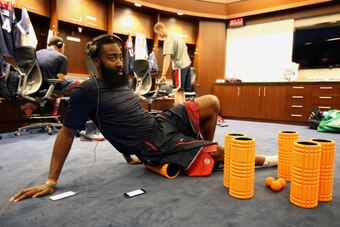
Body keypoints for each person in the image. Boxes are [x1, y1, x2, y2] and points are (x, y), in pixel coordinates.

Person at [9, 34, 276, 202]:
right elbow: (67, 133)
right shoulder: (87, 92)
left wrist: (125, 156)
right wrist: (51, 181)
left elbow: (120, 121)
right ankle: (265, 159)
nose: (118, 62)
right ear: (97, 62)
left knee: (211, 102)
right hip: (153, 145)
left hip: (161, 124)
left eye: (119, 57)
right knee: (214, 150)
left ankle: (196, 149)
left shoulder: (121, 82)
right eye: (111, 58)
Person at [36, 36, 81, 122]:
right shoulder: (62, 57)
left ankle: (54, 113)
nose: (64, 48)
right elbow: (61, 79)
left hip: (35, 87)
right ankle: (75, 117)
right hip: (49, 87)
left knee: (57, 87)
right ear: (60, 45)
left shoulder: (37, 53)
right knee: (79, 84)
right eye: (64, 46)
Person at [153, 22, 192, 105]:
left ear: (160, 29)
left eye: (157, 33)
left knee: (177, 92)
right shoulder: (175, 35)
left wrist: (163, 75)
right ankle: (185, 114)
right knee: (181, 91)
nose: (158, 36)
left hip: (179, 67)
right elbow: (186, 47)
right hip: (187, 64)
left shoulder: (168, 40)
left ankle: (179, 115)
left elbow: (167, 58)